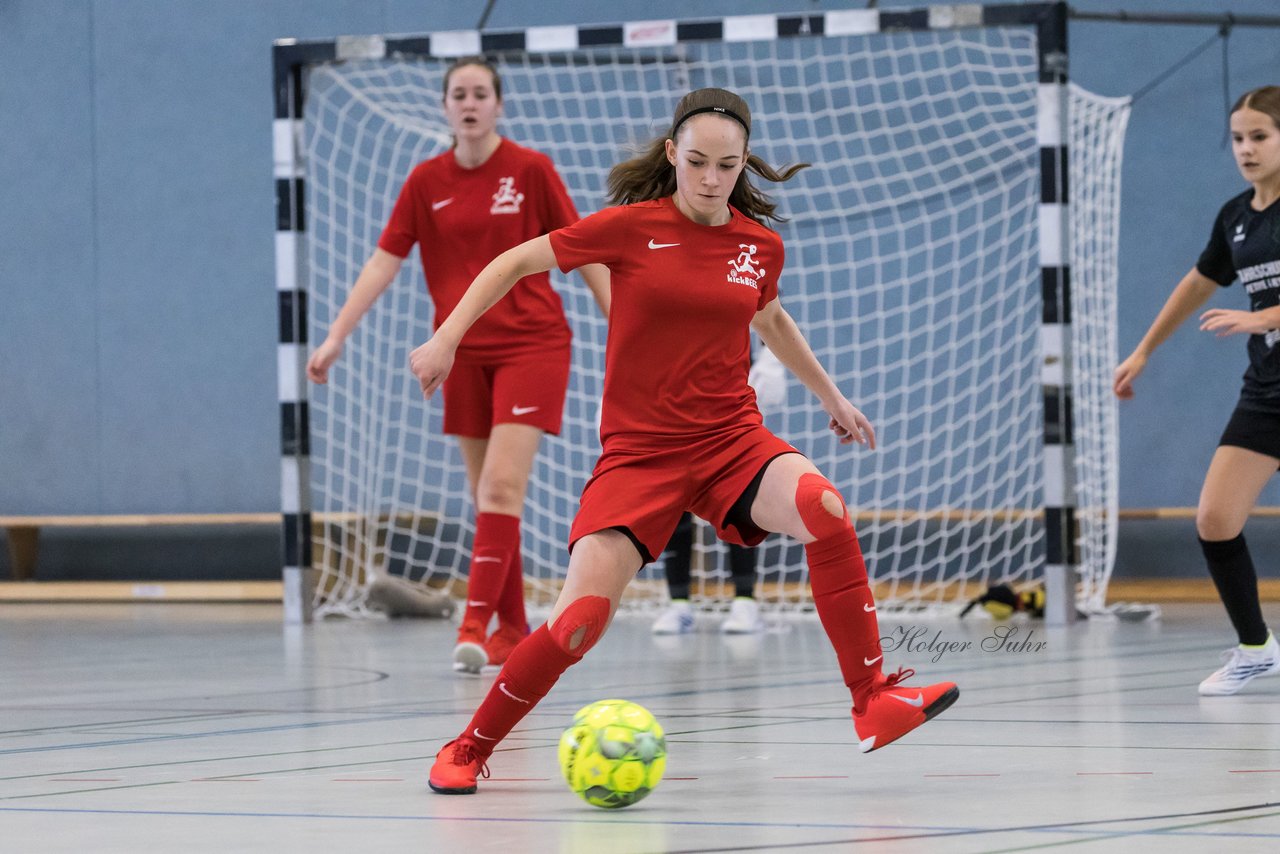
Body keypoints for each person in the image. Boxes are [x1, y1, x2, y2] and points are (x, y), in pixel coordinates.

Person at [412, 87, 959, 795]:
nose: (709, 178)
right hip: (640, 456)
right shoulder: (628, 228)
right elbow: (515, 262)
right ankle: (467, 746)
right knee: (577, 623)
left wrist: (832, 396)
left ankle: (873, 700)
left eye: (726, 166)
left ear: (742, 167)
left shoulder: (760, 245)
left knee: (823, 505)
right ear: (672, 154)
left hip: (731, 440)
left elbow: (772, 320)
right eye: (696, 161)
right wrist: (448, 337)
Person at [306, 57, 610, 675]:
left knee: (501, 485)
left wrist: (624, 328)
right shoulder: (426, 181)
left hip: (533, 344)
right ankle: (513, 627)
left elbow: (585, 249)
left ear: (499, 105)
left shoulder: (530, 170)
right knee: (487, 497)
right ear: (444, 107)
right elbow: (382, 263)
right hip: (459, 351)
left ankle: (473, 623)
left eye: (480, 94)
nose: (469, 104)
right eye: (458, 95)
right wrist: (337, 336)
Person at [1114, 85, 1280, 696]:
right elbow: (1199, 282)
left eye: (1260, 135)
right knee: (1214, 519)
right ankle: (1257, 647)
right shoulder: (1237, 217)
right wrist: (1143, 350)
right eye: (1238, 138)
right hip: (1267, 393)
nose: (1247, 148)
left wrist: (1262, 317)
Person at [651, 345, 786, 635]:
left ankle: (744, 600)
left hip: (729, 376)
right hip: (674, 379)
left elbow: (769, 308)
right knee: (676, 495)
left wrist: (770, 356)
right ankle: (678, 603)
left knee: (736, 489)